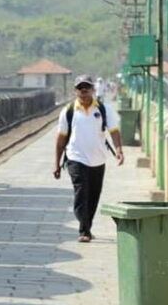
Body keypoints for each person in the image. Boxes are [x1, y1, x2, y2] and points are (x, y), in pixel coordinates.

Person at [53, 75, 124, 243]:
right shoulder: (68, 111)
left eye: (87, 87)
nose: (83, 90)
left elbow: (114, 131)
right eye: (80, 87)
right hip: (75, 157)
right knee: (81, 191)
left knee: (93, 196)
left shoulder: (103, 109)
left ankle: (87, 227)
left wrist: (119, 150)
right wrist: (56, 163)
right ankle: (83, 230)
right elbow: (61, 139)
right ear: (75, 90)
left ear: (93, 89)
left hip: (98, 159)